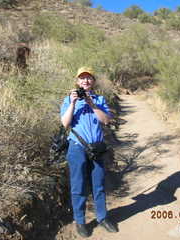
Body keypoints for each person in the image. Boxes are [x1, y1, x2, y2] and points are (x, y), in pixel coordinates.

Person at [60, 67, 118, 238]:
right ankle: (80, 221)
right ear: (77, 82)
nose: (85, 81)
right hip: (77, 147)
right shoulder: (68, 100)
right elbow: (65, 123)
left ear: (93, 81)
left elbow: (106, 120)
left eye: (89, 78)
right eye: (82, 78)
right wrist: (72, 103)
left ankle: (103, 218)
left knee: (98, 185)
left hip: (97, 148)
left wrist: (92, 104)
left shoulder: (99, 99)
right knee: (78, 186)